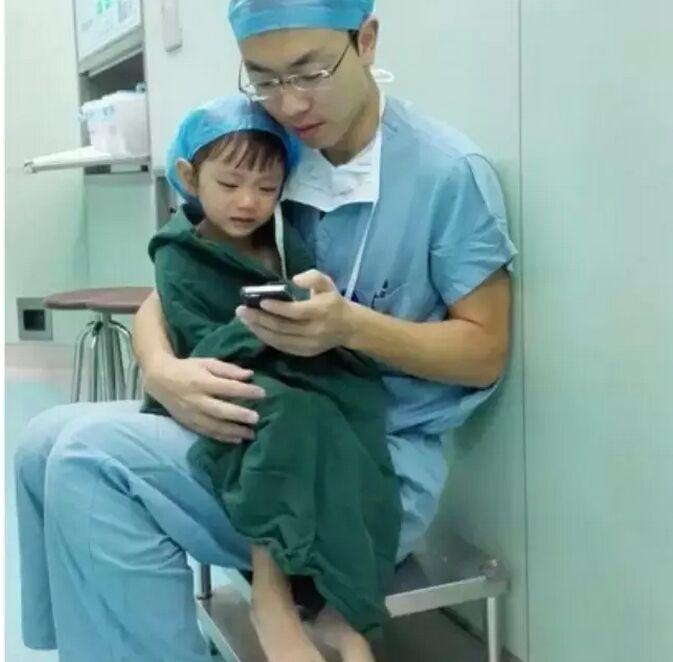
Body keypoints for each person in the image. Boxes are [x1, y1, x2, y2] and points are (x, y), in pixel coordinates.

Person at [14, 1, 516, 660]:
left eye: (310, 71)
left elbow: (484, 350)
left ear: (365, 41)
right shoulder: (277, 156)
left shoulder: (445, 175)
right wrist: (163, 370)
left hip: (365, 463)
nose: (290, 102)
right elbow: (173, 287)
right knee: (41, 438)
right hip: (262, 420)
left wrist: (350, 327)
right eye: (264, 78)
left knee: (90, 457)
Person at [146, 93, 401, 661]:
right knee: (291, 416)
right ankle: (272, 594)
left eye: (266, 188)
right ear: (189, 176)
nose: (248, 201)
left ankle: (344, 607)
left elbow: (313, 311)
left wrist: (307, 310)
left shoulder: (282, 238)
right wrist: (259, 322)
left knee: (355, 417)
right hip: (224, 384)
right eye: (230, 183)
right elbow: (198, 344)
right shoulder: (178, 254)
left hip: (297, 367)